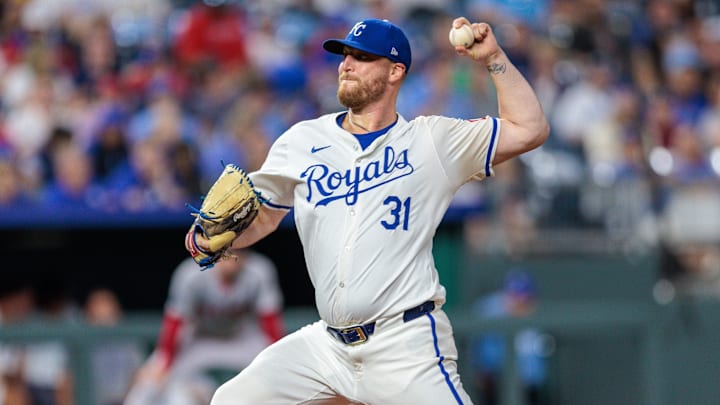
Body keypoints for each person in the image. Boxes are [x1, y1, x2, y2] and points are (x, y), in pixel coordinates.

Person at [191, 16, 549, 404]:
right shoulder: (303, 140)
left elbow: (529, 129)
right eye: (345, 55)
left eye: (362, 57)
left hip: (404, 343)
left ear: (395, 71)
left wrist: (494, 57)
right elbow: (261, 216)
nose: (346, 64)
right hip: (327, 346)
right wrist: (210, 238)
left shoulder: (431, 141)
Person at [123, 250, 284, 405]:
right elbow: (175, 322)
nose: (232, 256)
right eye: (226, 250)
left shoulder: (259, 270)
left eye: (239, 251)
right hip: (200, 340)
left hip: (241, 339)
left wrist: (278, 359)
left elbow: (270, 321)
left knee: (282, 368)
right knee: (149, 379)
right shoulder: (191, 272)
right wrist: (164, 363)